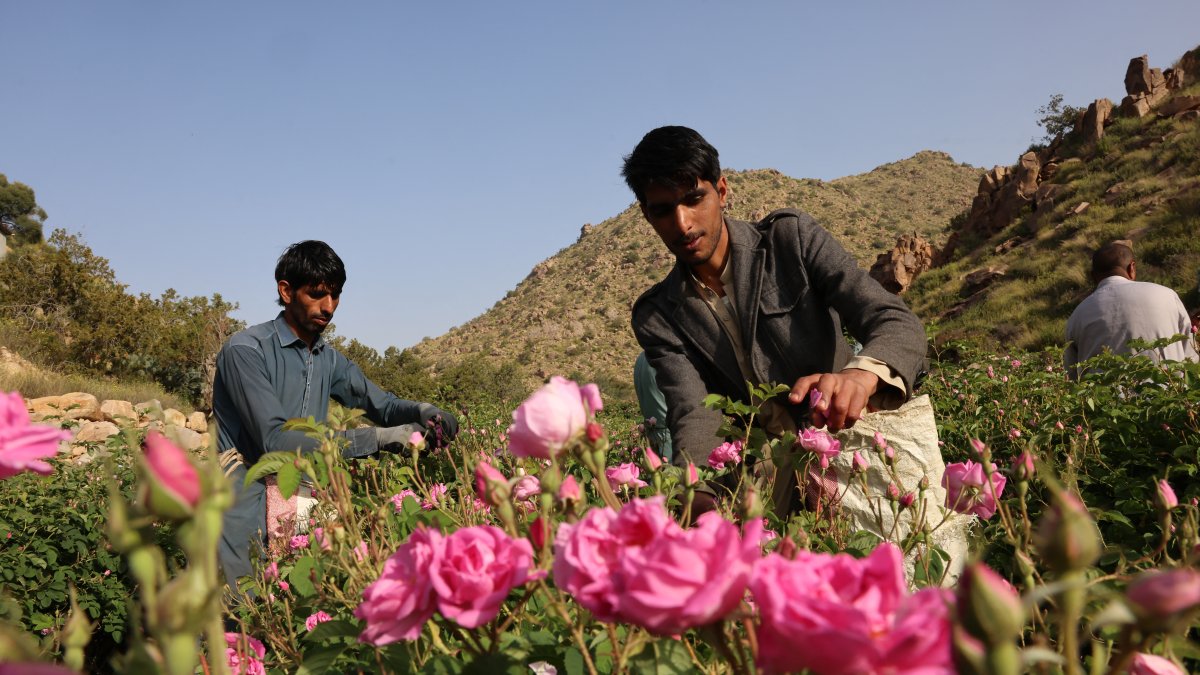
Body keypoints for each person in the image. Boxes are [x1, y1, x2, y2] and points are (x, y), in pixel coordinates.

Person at [624, 126, 927, 514]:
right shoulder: (658, 316)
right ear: (647, 216)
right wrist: (696, 496)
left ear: (722, 191)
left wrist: (859, 378)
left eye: (694, 198)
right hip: (762, 483)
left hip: (843, 444)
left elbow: (893, 321)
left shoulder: (790, 241)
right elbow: (695, 412)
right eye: (663, 210)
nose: (682, 223)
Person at [213, 240, 457, 586]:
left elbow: (381, 404)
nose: (328, 307)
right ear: (286, 291)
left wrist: (426, 411)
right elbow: (275, 439)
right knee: (242, 611)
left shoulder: (326, 358)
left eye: (336, 295)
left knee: (298, 600)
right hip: (243, 503)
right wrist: (379, 439)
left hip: (300, 497)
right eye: (316, 294)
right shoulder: (245, 350)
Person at [1064, 242, 1198, 379]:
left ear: (1093, 276)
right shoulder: (1167, 295)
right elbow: (1191, 358)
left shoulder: (1078, 315)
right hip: (1170, 395)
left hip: (1105, 399)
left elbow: (1073, 375)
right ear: (1132, 268)